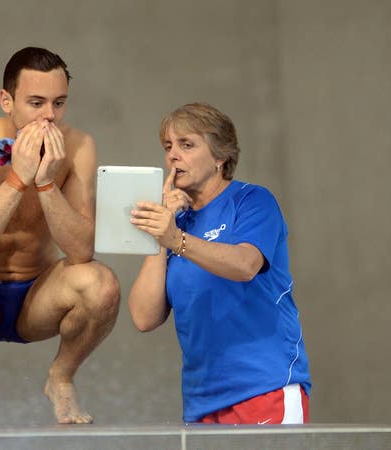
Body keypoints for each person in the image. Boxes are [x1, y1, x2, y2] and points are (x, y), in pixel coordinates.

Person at [0, 47, 120, 426]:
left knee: (102, 284)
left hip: (39, 299)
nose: (49, 116)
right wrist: (17, 179)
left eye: (59, 103)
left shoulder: (78, 146)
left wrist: (46, 183)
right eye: (36, 103)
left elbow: (81, 251)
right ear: (6, 100)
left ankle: (61, 377)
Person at [128, 102, 311, 425]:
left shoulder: (253, 201)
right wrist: (161, 236)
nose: (173, 155)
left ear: (219, 156)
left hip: (264, 388)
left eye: (187, 144)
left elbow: (245, 264)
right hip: (202, 402)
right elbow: (144, 317)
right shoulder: (176, 223)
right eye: (168, 146)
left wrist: (176, 241)